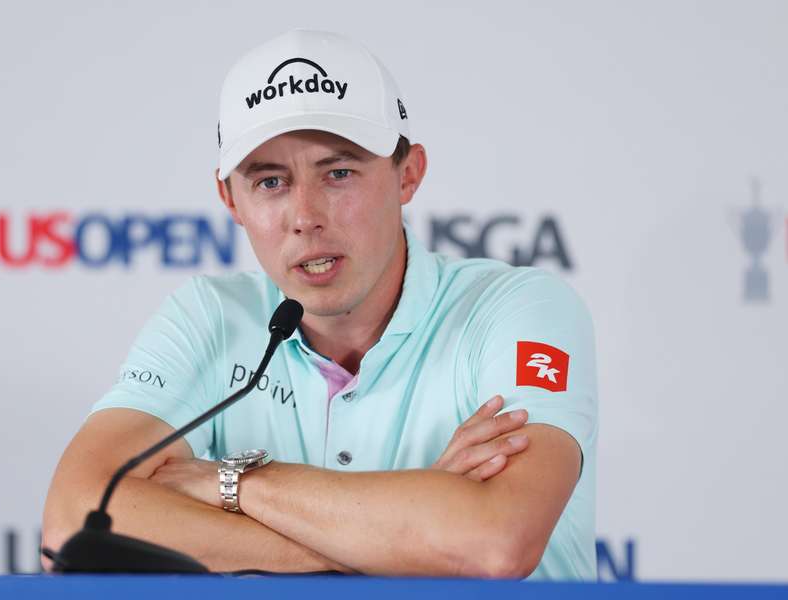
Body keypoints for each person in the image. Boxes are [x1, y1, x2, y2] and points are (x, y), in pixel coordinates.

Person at [42, 29, 597, 580]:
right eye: (270, 182)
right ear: (229, 199)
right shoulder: (208, 314)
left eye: (338, 173)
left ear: (408, 175)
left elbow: (495, 542)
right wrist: (405, 537)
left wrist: (228, 483)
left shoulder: (519, 308)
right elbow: (74, 521)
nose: (306, 215)